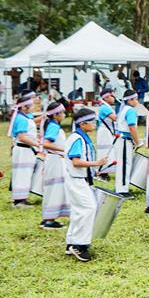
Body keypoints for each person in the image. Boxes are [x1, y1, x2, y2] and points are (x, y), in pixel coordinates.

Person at [62, 108, 108, 262]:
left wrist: (94, 171)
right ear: (83, 124)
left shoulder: (82, 137)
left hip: (81, 179)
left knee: (78, 211)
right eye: (92, 122)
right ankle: (79, 245)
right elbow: (76, 162)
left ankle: (71, 243)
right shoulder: (77, 139)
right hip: (76, 180)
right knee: (88, 208)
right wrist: (96, 163)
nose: (95, 124)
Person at [39, 101, 70, 230]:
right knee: (55, 189)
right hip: (55, 160)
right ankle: (49, 220)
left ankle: (49, 218)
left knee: (54, 188)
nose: (64, 114)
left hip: (54, 159)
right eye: (62, 112)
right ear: (56, 115)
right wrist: (65, 150)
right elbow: (46, 144)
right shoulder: (53, 126)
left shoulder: (53, 124)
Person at [9, 91, 40, 208]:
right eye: (31, 105)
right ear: (24, 107)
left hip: (26, 150)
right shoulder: (21, 119)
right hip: (23, 150)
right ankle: (19, 201)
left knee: (26, 173)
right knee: (22, 174)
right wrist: (37, 144)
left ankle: (22, 198)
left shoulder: (25, 117)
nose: (33, 107)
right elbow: (22, 137)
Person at [110, 92, 141, 197]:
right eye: (135, 99)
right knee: (124, 165)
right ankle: (122, 190)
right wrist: (137, 141)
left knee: (123, 164)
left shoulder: (123, 109)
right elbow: (132, 127)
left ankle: (122, 186)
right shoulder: (130, 111)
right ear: (129, 100)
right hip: (124, 140)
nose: (137, 101)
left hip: (121, 139)